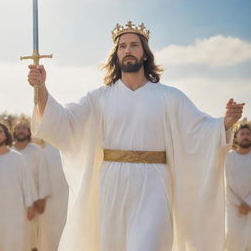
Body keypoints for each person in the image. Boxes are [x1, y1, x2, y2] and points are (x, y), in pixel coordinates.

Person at [28, 21, 244, 251]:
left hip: (154, 184)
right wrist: (41, 89)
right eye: (122, 46)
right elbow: (64, 122)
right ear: (116, 54)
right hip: (112, 184)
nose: (127, 50)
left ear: (144, 54)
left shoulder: (169, 97)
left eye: (134, 45)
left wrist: (226, 122)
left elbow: (200, 131)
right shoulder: (99, 97)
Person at [0, 122, 35, 251]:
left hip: (15, 212)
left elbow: (26, 183)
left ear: (6, 135)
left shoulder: (17, 158)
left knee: (15, 243)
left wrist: (30, 205)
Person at [12, 119, 51, 251]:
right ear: (14, 131)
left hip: (32, 201)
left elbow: (43, 174)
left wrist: (41, 198)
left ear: (29, 132)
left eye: (24, 128)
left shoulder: (36, 151)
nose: (21, 130)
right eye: (18, 128)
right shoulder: (8, 152)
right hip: (11, 201)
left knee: (31, 237)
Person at [34, 138, 68, 251]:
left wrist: (41, 196)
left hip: (58, 198)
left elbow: (42, 177)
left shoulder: (46, 151)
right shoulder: (47, 151)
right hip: (51, 201)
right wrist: (42, 197)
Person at [225, 123, 251, 251]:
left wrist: (248, 203)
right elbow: (225, 184)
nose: (245, 136)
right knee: (233, 242)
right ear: (236, 138)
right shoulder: (228, 157)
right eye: (242, 134)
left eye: (248, 134)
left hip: (250, 207)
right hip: (233, 208)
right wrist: (239, 204)